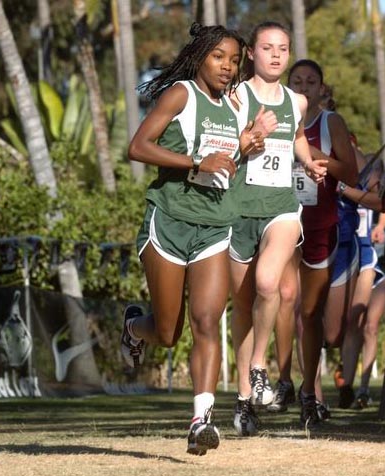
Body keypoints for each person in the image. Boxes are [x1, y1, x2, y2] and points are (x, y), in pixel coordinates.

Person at [120, 23, 268, 456]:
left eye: (234, 59)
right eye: (219, 56)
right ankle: (133, 327)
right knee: (168, 332)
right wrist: (194, 163)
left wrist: (247, 147)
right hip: (168, 220)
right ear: (201, 55)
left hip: (214, 227)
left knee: (207, 322)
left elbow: (228, 163)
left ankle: (201, 420)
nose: (227, 66)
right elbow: (138, 146)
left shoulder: (235, 106)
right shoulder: (181, 94)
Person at [228, 22, 327, 436]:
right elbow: (225, 149)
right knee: (244, 307)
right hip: (238, 209)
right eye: (266, 48)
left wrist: (307, 162)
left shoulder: (297, 101)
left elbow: (297, 136)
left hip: (281, 209)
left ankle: (259, 368)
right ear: (251, 53)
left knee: (270, 282)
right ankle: (243, 401)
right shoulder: (236, 97)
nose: (275, 55)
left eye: (282, 49)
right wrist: (251, 136)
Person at [269, 59, 357, 426]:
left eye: (311, 81)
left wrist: (313, 155)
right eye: (297, 81)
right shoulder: (275, 118)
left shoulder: (330, 122)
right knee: (284, 300)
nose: (304, 87)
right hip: (283, 219)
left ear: (322, 88)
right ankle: (288, 382)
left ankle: (309, 391)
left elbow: (350, 172)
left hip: (321, 223)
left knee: (312, 313)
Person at [323, 146, 385, 409]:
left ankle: (351, 387)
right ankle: (334, 382)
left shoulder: (368, 184)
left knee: (359, 322)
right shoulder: (333, 173)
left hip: (365, 255)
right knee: (333, 330)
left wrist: (382, 227)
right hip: (338, 249)